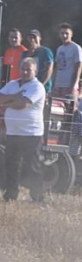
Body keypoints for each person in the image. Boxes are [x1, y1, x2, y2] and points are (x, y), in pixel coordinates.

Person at [0, 58, 45, 201]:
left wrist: (7, 102)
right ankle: (11, 195)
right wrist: (13, 97)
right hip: (13, 132)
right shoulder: (12, 84)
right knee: (12, 165)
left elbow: (23, 104)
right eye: (23, 69)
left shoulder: (37, 87)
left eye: (29, 69)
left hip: (31, 133)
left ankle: (38, 197)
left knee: (32, 166)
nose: (25, 72)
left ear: (35, 71)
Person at [52, 23, 82, 101]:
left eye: (67, 33)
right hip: (58, 85)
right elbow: (57, 67)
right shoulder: (59, 49)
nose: (64, 36)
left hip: (69, 86)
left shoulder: (76, 48)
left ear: (71, 35)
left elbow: (78, 67)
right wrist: (54, 84)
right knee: (56, 110)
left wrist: (73, 86)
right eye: (62, 33)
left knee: (68, 111)